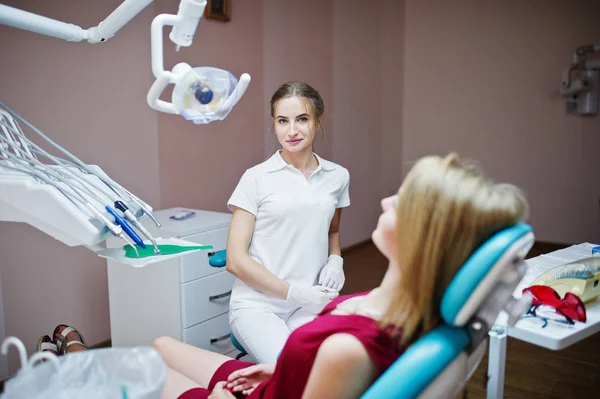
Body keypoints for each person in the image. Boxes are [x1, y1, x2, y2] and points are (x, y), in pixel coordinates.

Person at [152, 153, 530, 398]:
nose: (385, 202)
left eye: (401, 201)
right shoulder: (408, 310)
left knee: (141, 373)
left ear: (423, 237)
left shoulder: (347, 351)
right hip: (274, 382)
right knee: (159, 345)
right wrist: (283, 370)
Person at [225, 81, 351, 363]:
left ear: (318, 122)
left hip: (309, 303)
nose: (291, 131)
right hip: (259, 305)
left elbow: (332, 231)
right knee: (292, 369)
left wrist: (335, 260)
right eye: (283, 121)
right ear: (274, 124)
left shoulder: (337, 176)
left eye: (302, 119)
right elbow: (235, 259)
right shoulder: (256, 178)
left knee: (331, 365)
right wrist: (294, 293)